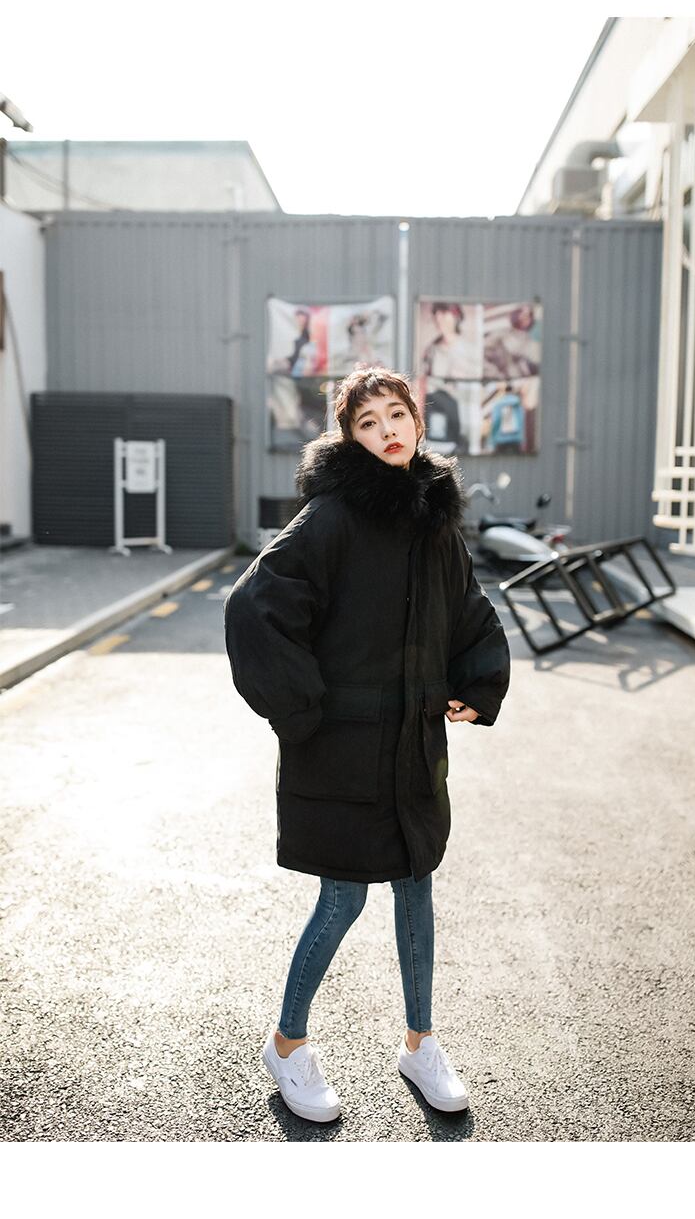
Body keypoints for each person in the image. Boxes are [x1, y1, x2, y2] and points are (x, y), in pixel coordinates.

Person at [224, 363, 511, 1124]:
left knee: (416, 885)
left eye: (397, 414)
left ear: (418, 421)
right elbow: (255, 607)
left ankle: (421, 1043)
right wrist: (304, 709)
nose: (388, 430)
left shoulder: (433, 520)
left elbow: (468, 610)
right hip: (342, 749)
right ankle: (287, 1044)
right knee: (343, 897)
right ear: (350, 437)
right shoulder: (332, 517)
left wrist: (476, 683)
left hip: (413, 745)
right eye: (368, 421)